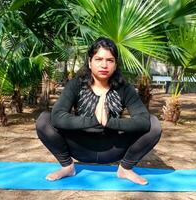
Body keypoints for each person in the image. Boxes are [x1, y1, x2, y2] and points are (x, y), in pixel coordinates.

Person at [36, 37, 162, 185]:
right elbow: (57, 116)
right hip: (80, 147)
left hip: (113, 149)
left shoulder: (124, 88)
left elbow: (143, 120)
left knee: (154, 124)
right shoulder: (76, 84)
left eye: (110, 60)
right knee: (44, 120)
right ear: (90, 62)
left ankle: (125, 169)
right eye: (98, 59)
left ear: (115, 64)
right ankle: (67, 166)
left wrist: (110, 122)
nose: (104, 65)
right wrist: (94, 121)